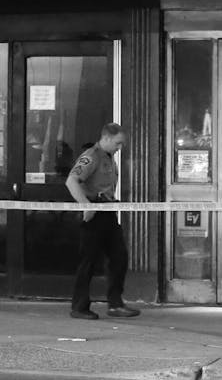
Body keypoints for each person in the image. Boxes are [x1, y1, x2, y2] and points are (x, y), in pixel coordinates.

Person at [66, 123, 141, 320]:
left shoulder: (108, 157)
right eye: (118, 143)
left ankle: (115, 304)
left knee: (119, 257)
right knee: (88, 262)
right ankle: (79, 307)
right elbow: (71, 180)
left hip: (107, 212)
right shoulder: (91, 156)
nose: (120, 147)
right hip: (94, 213)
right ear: (106, 138)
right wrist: (85, 205)